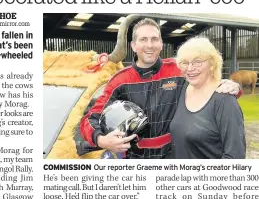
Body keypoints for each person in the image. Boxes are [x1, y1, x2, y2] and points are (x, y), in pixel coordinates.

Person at [75, 17, 240, 159]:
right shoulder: (120, 80)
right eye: (143, 39)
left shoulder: (179, 69)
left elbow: (207, 79)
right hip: (134, 158)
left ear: (161, 43)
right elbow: (89, 119)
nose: (150, 45)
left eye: (154, 39)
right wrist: (101, 140)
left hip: (173, 157)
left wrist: (233, 86)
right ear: (133, 45)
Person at [170, 37, 245, 159]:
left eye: (197, 62)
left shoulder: (224, 100)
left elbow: (235, 156)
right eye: (185, 63)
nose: (190, 68)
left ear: (212, 64)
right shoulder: (181, 89)